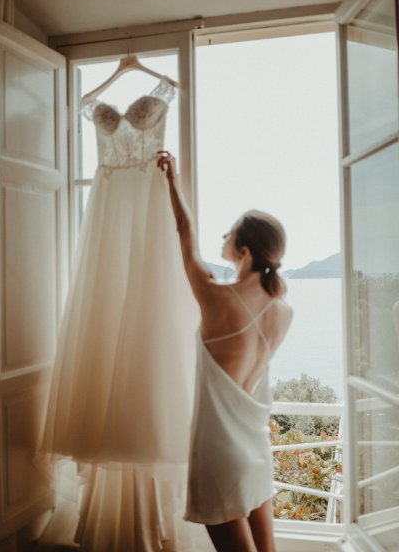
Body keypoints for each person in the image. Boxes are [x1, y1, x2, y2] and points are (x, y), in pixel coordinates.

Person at [157, 151, 293, 552]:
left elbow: (184, 231)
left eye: (229, 234)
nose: (222, 239)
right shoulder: (283, 311)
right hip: (254, 448)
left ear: (245, 251)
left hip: (219, 454)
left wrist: (172, 179)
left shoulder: (216, 298)